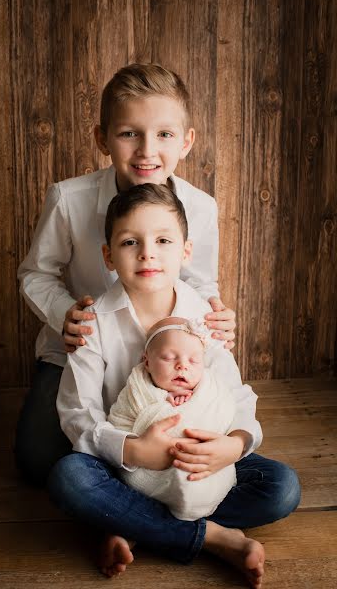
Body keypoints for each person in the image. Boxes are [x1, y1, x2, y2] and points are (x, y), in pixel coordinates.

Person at [50, 183, 301, 589]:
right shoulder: (92, 322)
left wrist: (232, 446)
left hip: (199, 461)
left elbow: (237, 398)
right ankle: (216, 538)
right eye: (131, 242)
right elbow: (78, 414)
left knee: (282, 487)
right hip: (126, 463)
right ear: (109, 256)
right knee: (70, 478)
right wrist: (135, 450)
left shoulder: (204, 319)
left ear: (185, 252)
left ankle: (134, 524)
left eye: (164, 240)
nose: (148, 253)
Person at [15, 63, 237, 487]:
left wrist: (214, 311)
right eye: (129, 133)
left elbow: (200, 282)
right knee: (37, 459)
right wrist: (66, 314)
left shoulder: (201, 207)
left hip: (166, 351)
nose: (147, 151)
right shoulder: (68, 199)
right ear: (103, 139)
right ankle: (126, 481)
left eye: (165, 134)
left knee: (199, 444)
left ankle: (130, 498)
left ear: (186, 142)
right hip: (78, 349)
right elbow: (36, 274)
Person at [108, 315, 238, 521]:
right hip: (148, 466)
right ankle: (201, 530)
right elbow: (118, 422)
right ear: (147, 362)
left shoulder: (211, 389)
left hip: (202, 465)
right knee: (74, 475)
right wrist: (162, 403)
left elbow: (226, 414)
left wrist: (193, 404)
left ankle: (138, 524)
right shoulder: (136, 390)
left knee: (281, 488)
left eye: (194, 360)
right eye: (169, 358)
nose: (182, 366)